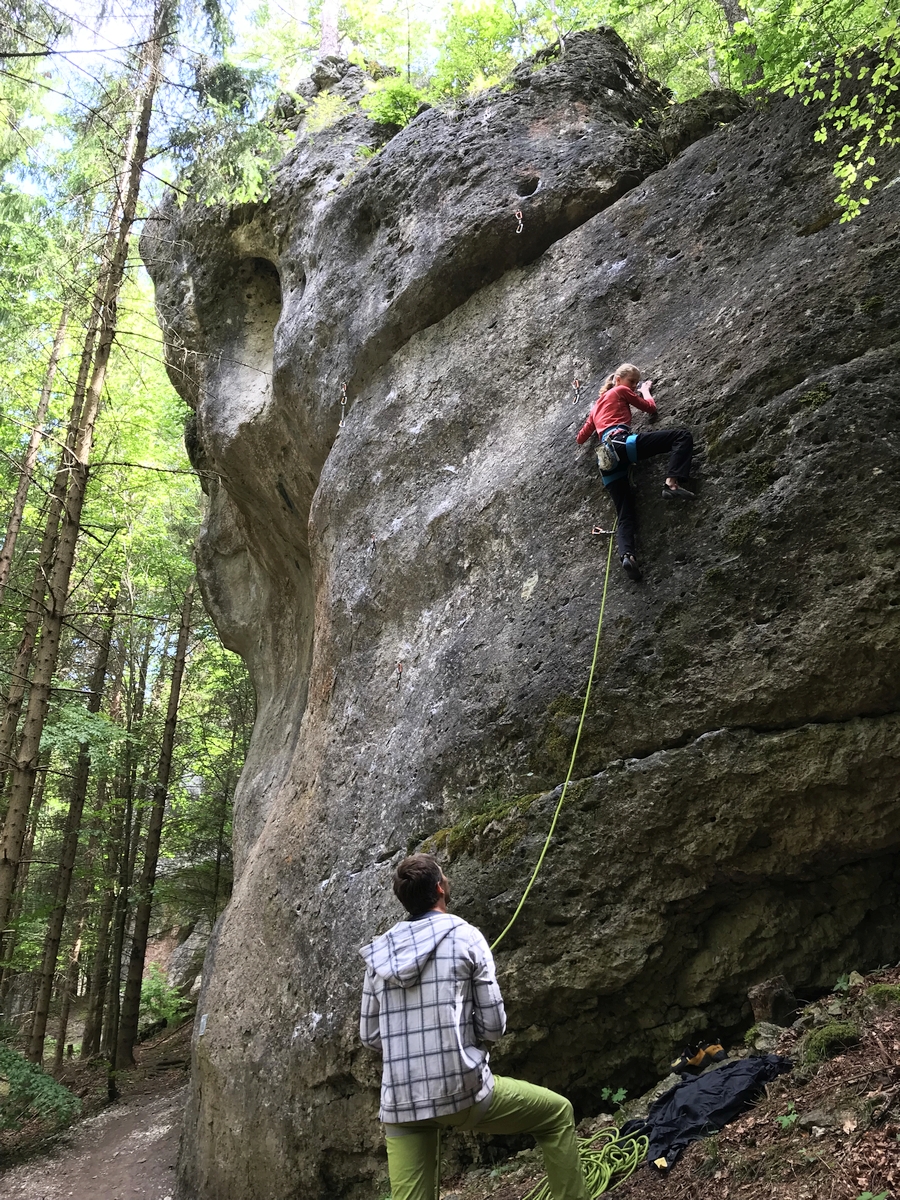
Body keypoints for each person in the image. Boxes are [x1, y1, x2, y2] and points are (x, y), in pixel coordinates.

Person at [359, 854, 589, 1200]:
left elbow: (370, 1036)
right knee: (557, 1114)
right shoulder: (466, 936)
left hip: (401, 1104)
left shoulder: (379, 954)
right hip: (462, 1093)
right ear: (440, 887)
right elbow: (494, 1026)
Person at [576, 362, 695, 582]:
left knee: (625, 512)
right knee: (681, 437)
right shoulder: (620, 391)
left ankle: (627, 556)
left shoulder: (595, 409)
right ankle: (671, 483)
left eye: (637, 384)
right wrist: (646, 391)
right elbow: (650, 408)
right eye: (632, 382)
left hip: (605, 459)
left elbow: (580, 438)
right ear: (618, 380)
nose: (634, 386)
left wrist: (597, 421)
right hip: (621, 443)